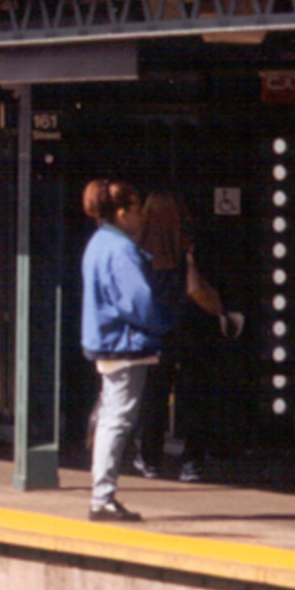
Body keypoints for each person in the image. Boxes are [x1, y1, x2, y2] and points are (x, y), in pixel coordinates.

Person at [78, 178, 166, 523]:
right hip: (125, 342)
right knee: (119, 417)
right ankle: (102, 497)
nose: (141, 217)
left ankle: (102, 494)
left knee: (112, 413)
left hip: (106, 339)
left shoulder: (98, 243)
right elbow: (138, 301)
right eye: (136, 210)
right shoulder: (121, 249)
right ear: (121, 212)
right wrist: (162, 322)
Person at [131, 190, 226, 482]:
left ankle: (150, 458)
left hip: (156, 333)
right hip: (191, 331)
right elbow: (196, 290)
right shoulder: (187, 251)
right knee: (194, 394)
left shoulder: (140, 256)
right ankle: (192, 461)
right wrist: (220, 308)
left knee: (154, 394)